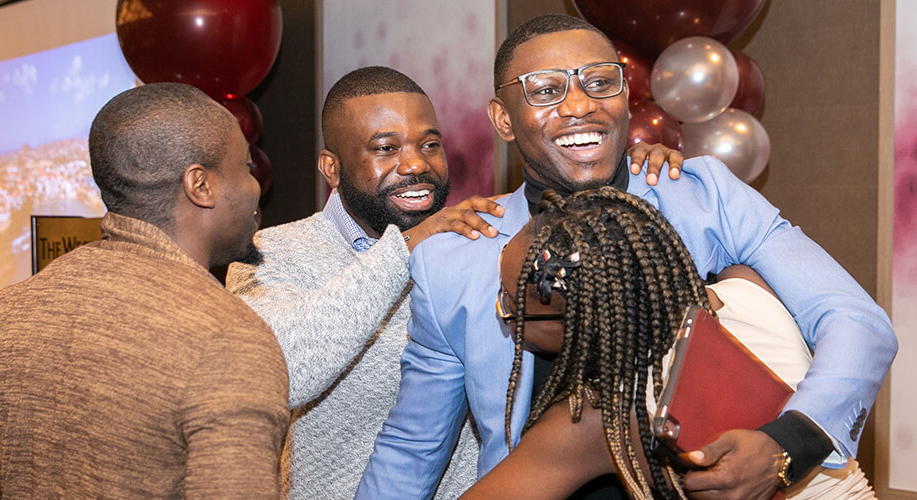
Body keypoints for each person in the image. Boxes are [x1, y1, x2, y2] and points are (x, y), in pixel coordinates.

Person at [357, 14, 896, 500]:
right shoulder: (455, 256)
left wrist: (785, 446)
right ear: (502, 119)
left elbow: (856, 321)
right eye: (545, 90)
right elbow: (413, 445)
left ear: (624, 97)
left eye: (599, 82)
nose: (578, 105)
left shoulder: (701, 194)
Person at [225, 66, 678, 499]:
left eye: (429, 145)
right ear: (332, 167)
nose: (415, 165)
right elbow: (276, 373)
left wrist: (638, 176)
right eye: (385, 148)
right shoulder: (271, 252)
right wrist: (403, 251)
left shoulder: (477, 241)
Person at [0, 83, 289, 499]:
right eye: (247, 167)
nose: (255, 186)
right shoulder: (230, 338)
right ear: (201, 185)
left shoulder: (4, 314)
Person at [461, 188, 876, 499]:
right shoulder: (750, 287)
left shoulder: (600, 418)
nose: (503, 314)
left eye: (511, 303)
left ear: (578, 324)